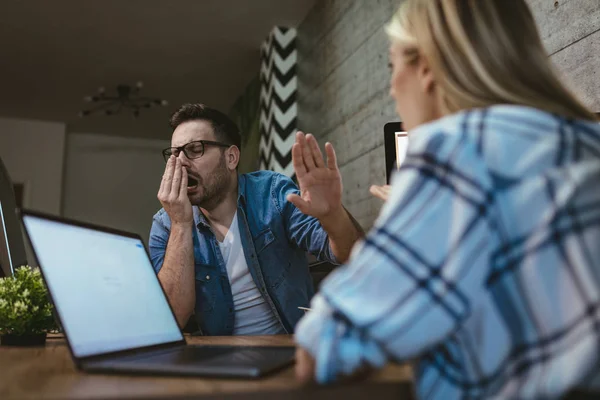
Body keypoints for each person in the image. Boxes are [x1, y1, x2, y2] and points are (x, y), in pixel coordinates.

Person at [293, 0, 600, 398]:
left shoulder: (457, 148)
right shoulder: (585, 142)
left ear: (426, 67)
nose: (391, 87)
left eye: (392, 67)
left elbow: (325, 347)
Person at [149, 103, 363, 336]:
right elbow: (174, 318)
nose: (180, 162)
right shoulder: (166, 223)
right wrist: (181, 223)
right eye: (174, 153)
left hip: (289, 348)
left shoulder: (272, 193)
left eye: (194, 149)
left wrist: (332, 213)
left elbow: (352, 254)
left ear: (231, 157)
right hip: (217, 358)